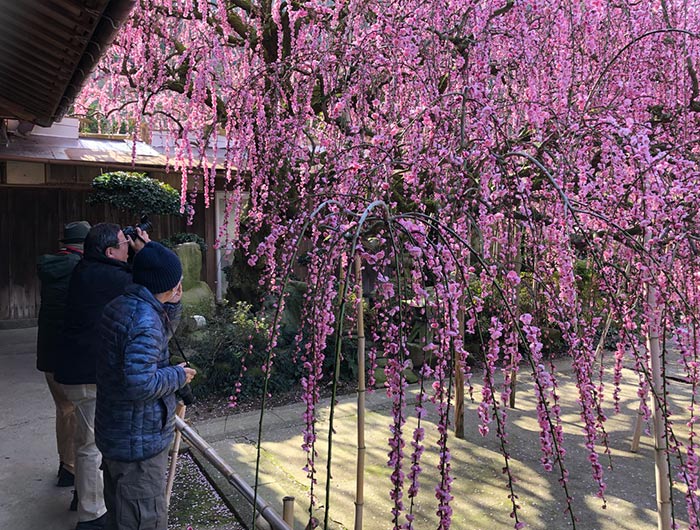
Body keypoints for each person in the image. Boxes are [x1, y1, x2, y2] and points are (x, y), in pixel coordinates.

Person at [55, 223, 149, 530]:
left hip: (78, 371)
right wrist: (145, 251)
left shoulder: (89, 269)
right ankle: (92, 516)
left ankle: (85, 499)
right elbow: (152, 283)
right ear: (110, 252)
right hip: (88, 375)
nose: (128, 247)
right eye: (124, 244)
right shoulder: (109, 277)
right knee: (92, 446)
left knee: (88, 442)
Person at [96, 242, 196, 530]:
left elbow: (157, 339)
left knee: (120, 514)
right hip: (137, 445)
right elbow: (139, 384)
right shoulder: (144, 321)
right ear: (168, 283)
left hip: (116, 432)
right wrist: (178, 376)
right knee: (143, 520)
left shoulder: (123, 305)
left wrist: (173, 302)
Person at [37, 220, 91, 488]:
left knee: (64, 409)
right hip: (70, 354)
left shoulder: (50, 267)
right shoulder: (81, 268)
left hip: (47, 353)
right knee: (80, 412)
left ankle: (65, 466)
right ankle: (75, 473)